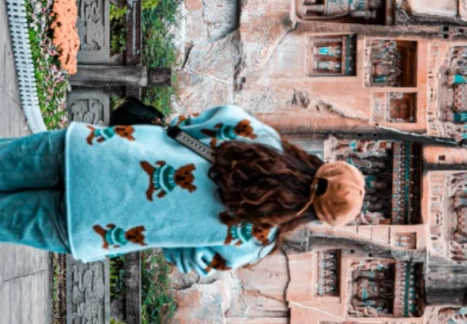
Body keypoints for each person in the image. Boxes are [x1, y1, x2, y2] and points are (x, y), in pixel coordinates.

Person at [0, 104, 365, 275]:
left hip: (92, 154)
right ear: (317, 218)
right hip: (91, 225)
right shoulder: (255, 241)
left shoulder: (261, 139)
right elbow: (187, 259)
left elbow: (201, 121)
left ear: (320, 164)